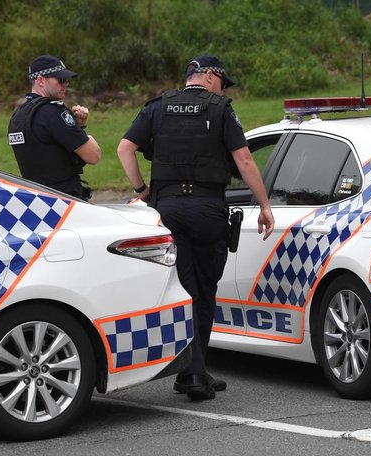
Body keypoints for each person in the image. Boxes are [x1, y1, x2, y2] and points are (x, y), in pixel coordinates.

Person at [117, 55, 275, 401]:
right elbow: (244, 159)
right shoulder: (220, 108)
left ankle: (193, 369)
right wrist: (264, 205)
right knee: (204, 290)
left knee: (182, 288)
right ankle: (195, 374)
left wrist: (141, 191)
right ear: (210, 77)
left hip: (167, 208)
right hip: (206, 209)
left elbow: (125, 149)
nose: (223, 88)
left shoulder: (158, 107)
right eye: (223, 82)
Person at [8, 55, 101, 199]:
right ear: (40, 80)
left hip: (34, 201)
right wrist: (87, 137)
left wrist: (78, 125)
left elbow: (46, 152)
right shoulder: (54, 112)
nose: (66, 83)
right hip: (64, 202)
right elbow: (93, 156)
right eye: (61, 79)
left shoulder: (18, 115)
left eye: (67, 80)